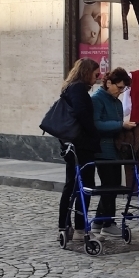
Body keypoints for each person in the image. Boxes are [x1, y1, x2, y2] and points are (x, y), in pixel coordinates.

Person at [57, 59, 102, 239]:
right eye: (95, 74)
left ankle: (71, 225)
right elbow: (82, 115)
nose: (97, 78)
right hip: (80, 146)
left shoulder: (73, 88)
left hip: (76, 144)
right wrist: (95, 133)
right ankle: (73, 225)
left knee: (75, 185)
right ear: (86, 72)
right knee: (81, 185)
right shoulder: (77, 89)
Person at [89, 68, 135, 237]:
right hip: (103, 150)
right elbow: (96, 125)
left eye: (124, 89)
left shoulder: (116, 101)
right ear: (109, 83)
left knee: (113, 187)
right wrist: (120, 125)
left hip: (115, 150)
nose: (121, 91)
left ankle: (99, 221)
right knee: (110, 186)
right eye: (119, 87)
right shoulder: (97, 99)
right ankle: (107, 222)